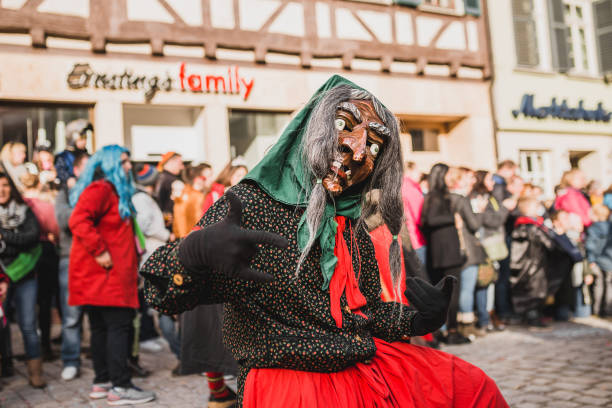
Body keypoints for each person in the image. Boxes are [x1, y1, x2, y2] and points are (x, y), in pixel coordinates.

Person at [142, 76, 508, 407]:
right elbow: (163, 294)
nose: (358, 149)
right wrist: (190, 256)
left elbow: (362, 312)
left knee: (472, 390)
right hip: (289, 380)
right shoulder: (252, 203)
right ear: (312, 130)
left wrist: (413, 319)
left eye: (376, 145)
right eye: (344, 126)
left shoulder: (350, 220)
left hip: (361, 364)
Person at [68, 145, 155, 405]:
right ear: (110, 164)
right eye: (125, 161)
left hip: (104, 276)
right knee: (118, 327)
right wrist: (99, 250)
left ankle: (102, 382)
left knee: (101, 329)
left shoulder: (110, 190)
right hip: (106, 275)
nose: (130, 166)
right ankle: (120, 386)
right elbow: (78, 220)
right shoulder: (102, 189)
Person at [178, 160, 248, 407]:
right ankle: (220, 392)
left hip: (221, 269)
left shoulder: (232, 196)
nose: (242, 177)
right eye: (238, 173)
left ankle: (224, 393)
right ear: (229, 175)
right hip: (214, 269)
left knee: (219, 335)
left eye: (245, 173)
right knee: (214, 334)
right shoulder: (220, 198)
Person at [132, 164, 179, 370]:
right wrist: (165, 234)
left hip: (155, 256)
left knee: (164, 307)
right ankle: (181, 353)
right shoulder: (141, 199)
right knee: (164, 308)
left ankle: (181, 352)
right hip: (152, 257)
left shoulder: (145, 198)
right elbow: (143, 225)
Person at [0, 171, 44, 387]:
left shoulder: (25, 210)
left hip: (25, 274)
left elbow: (32, 237)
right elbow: (23, 240)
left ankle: (35, 373)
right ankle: (5, 366)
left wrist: (5, 236)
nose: (2, 189)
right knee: (1, 324)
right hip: (1, 277)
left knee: (28, 324)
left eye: (6, 185)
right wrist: (16, 241)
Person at [421, 164, 471, 344]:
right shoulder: (435, 196)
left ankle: (448, 330)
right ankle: (451, 330)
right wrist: (453, 218)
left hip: (443, 249)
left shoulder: (437, 196)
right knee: (451, 292)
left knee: (447, 292)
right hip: (445, 251)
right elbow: (429, 220)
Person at [55, 150, 89, 381]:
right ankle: (70, 359)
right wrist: (88, 213)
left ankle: (102, 358)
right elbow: (65, 220)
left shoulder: (102, 190)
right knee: (71, 315)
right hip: (70, 257)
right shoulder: (65, 192)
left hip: (96, 256)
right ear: (76, 170)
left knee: (99, 313)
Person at [20, 170, 60, 361]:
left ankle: (31, 347)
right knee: (44, 302)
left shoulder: (19, 205)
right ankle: (44, 345)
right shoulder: (44, 206)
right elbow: (56, 229)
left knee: (26, 304)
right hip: (44, 252)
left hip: (21, 256)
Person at [469, 171, 513, 332]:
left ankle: (488, 315)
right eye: (489, 179)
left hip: (494, 245)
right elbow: (492, 221)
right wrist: (504, 209)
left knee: (491, 282)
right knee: (485, 281)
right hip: (485, 244)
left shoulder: (490, 197)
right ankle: (485, 316)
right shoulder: (478, 198)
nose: (493, 183)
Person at [447, 167, 487, 340]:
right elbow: (474, 225)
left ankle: (456, 325)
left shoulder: (445, 198)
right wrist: (480, 211)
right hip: (468, 248)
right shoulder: (461, 199)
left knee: (458, 289)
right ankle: (467, 326)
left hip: (452, 248)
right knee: (466, 289)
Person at [510, 197, 557, 327]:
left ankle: (530, 315)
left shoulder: (522, 225)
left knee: (530, 290)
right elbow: (549, 244)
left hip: (527, 264)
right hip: (533, 264)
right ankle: (533, 317)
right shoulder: (531, 226)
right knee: (535, 291)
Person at [585, 204, 612, 317]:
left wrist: (591, 260)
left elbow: (590, 245)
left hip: (599, 260)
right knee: (609, 285)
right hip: (609, 259)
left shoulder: (593, 228)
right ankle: (608, 309)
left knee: (599, 285)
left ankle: (597, 309)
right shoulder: (610, 226)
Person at [401, 161, 426, 266]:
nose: (420, 174)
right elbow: (421, 216)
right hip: (417, 239)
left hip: (407, 239)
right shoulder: (410, 188)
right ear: (409, 171)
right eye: (417, 170)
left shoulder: (400, 186)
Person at [54, 119, 91, 185]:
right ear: (72, 139)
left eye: (86, 138)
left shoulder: (87, 156)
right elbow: (61, 175)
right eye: (81, 138)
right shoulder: (63, 157)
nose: (84, 141)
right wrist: (69, 179)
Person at [154, 151, 184, 231]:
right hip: (171, 228)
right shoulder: (171, 180)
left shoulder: (160, 177)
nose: (182, 167)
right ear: (171, 162)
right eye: (180, 163)